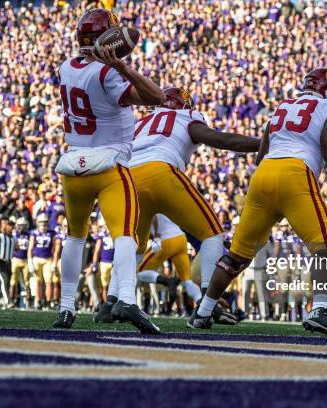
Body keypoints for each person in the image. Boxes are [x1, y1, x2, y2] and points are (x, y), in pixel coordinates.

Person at [188, 68, 327, 335]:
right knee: (325, 246)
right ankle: (321, 310)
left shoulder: (284, 106)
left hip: (263, 176)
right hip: (294, 176)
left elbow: (261, 155)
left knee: (237, 255)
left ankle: (204, 311)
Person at [98, 87, 260, 325]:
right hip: (160, 171)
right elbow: (222, 139)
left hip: (126, 178)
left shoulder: (141, 123)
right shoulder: (185, 117)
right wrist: (263, 144)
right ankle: (208, 302)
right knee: (212, 233)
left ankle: (110, 303)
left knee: (131, 246)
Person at [52, 8, 165, 334]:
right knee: (125, 235)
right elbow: (156, 97)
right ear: (107, 37)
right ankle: (127, 298)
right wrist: (121, 65)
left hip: (74, 168)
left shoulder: (66, 68)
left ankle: (66, 307)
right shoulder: (106, 74)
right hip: (109, 165)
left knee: (75, 237)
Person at [136, 214, 201, 308]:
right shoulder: (164, 204)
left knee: (138, 271)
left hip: (166, 240)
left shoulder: (146, 202)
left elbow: (152, 215)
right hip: (181, 239)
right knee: (186, 280)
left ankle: (168, 281)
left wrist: (157, 236)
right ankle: (204, 305)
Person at [28, 213, 56, 309]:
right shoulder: (34, 233)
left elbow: (54, 248)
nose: (43, 225)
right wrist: (30, 261)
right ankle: (39, 301)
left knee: (48, 282)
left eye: (45, 222)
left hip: (48, 259)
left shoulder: (52, 233)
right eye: (41, 222)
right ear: (37, 223)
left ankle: (48, 302)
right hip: (36, 259)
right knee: (38, 282)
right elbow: (30, 248)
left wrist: (54, 261)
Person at [0, 217, 16, 308]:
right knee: (3, 280)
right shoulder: (0, 236)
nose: (11, 228)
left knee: (6, 282)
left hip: (8, 262)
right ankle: (7, 301)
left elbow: (16, 248)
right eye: (9, 226)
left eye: (12, 226)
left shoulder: (13, 238)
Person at [10, 217, 31, 306]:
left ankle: (28, 300)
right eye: (20, 225)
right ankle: (11, 300)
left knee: (27, 281)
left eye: (23, 225)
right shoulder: (14, 234)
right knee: (13, 281)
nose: (21, 227)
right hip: (15, 259)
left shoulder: (29, 234)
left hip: (25, 259)